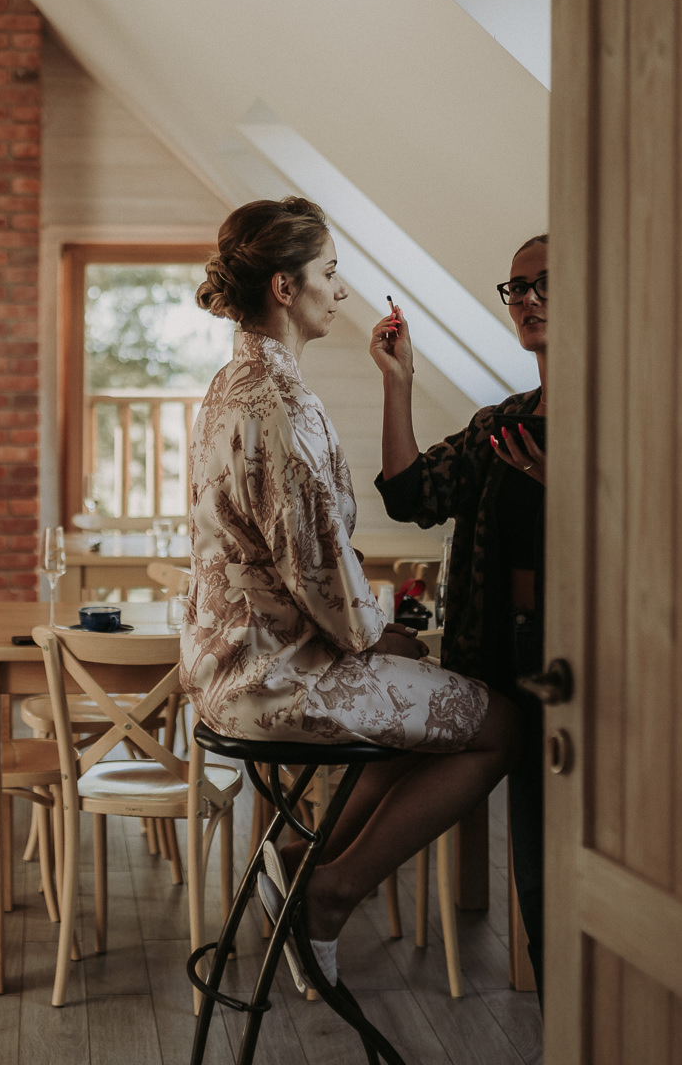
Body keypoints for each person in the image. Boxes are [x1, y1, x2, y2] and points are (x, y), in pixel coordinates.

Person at [180, 195, 520, 990]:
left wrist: (371, 636)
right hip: (276, 682)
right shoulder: (285, 407)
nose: (342, 289)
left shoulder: (227, 387)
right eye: (329, 272)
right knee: (499, 722)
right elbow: (322, 574)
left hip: (222, 672)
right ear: (285, 288)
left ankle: (302, 856)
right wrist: (377, 633)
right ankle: (330, 890)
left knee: (421, 708)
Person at [371, 232, 549, 994]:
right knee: (537, 858)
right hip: (503, 661)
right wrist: (399, 382)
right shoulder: (502, 422)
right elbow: (412, 496)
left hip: (593, 670)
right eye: (518, 288)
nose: (530, 299)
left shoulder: (635, 416)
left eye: (548, 282)